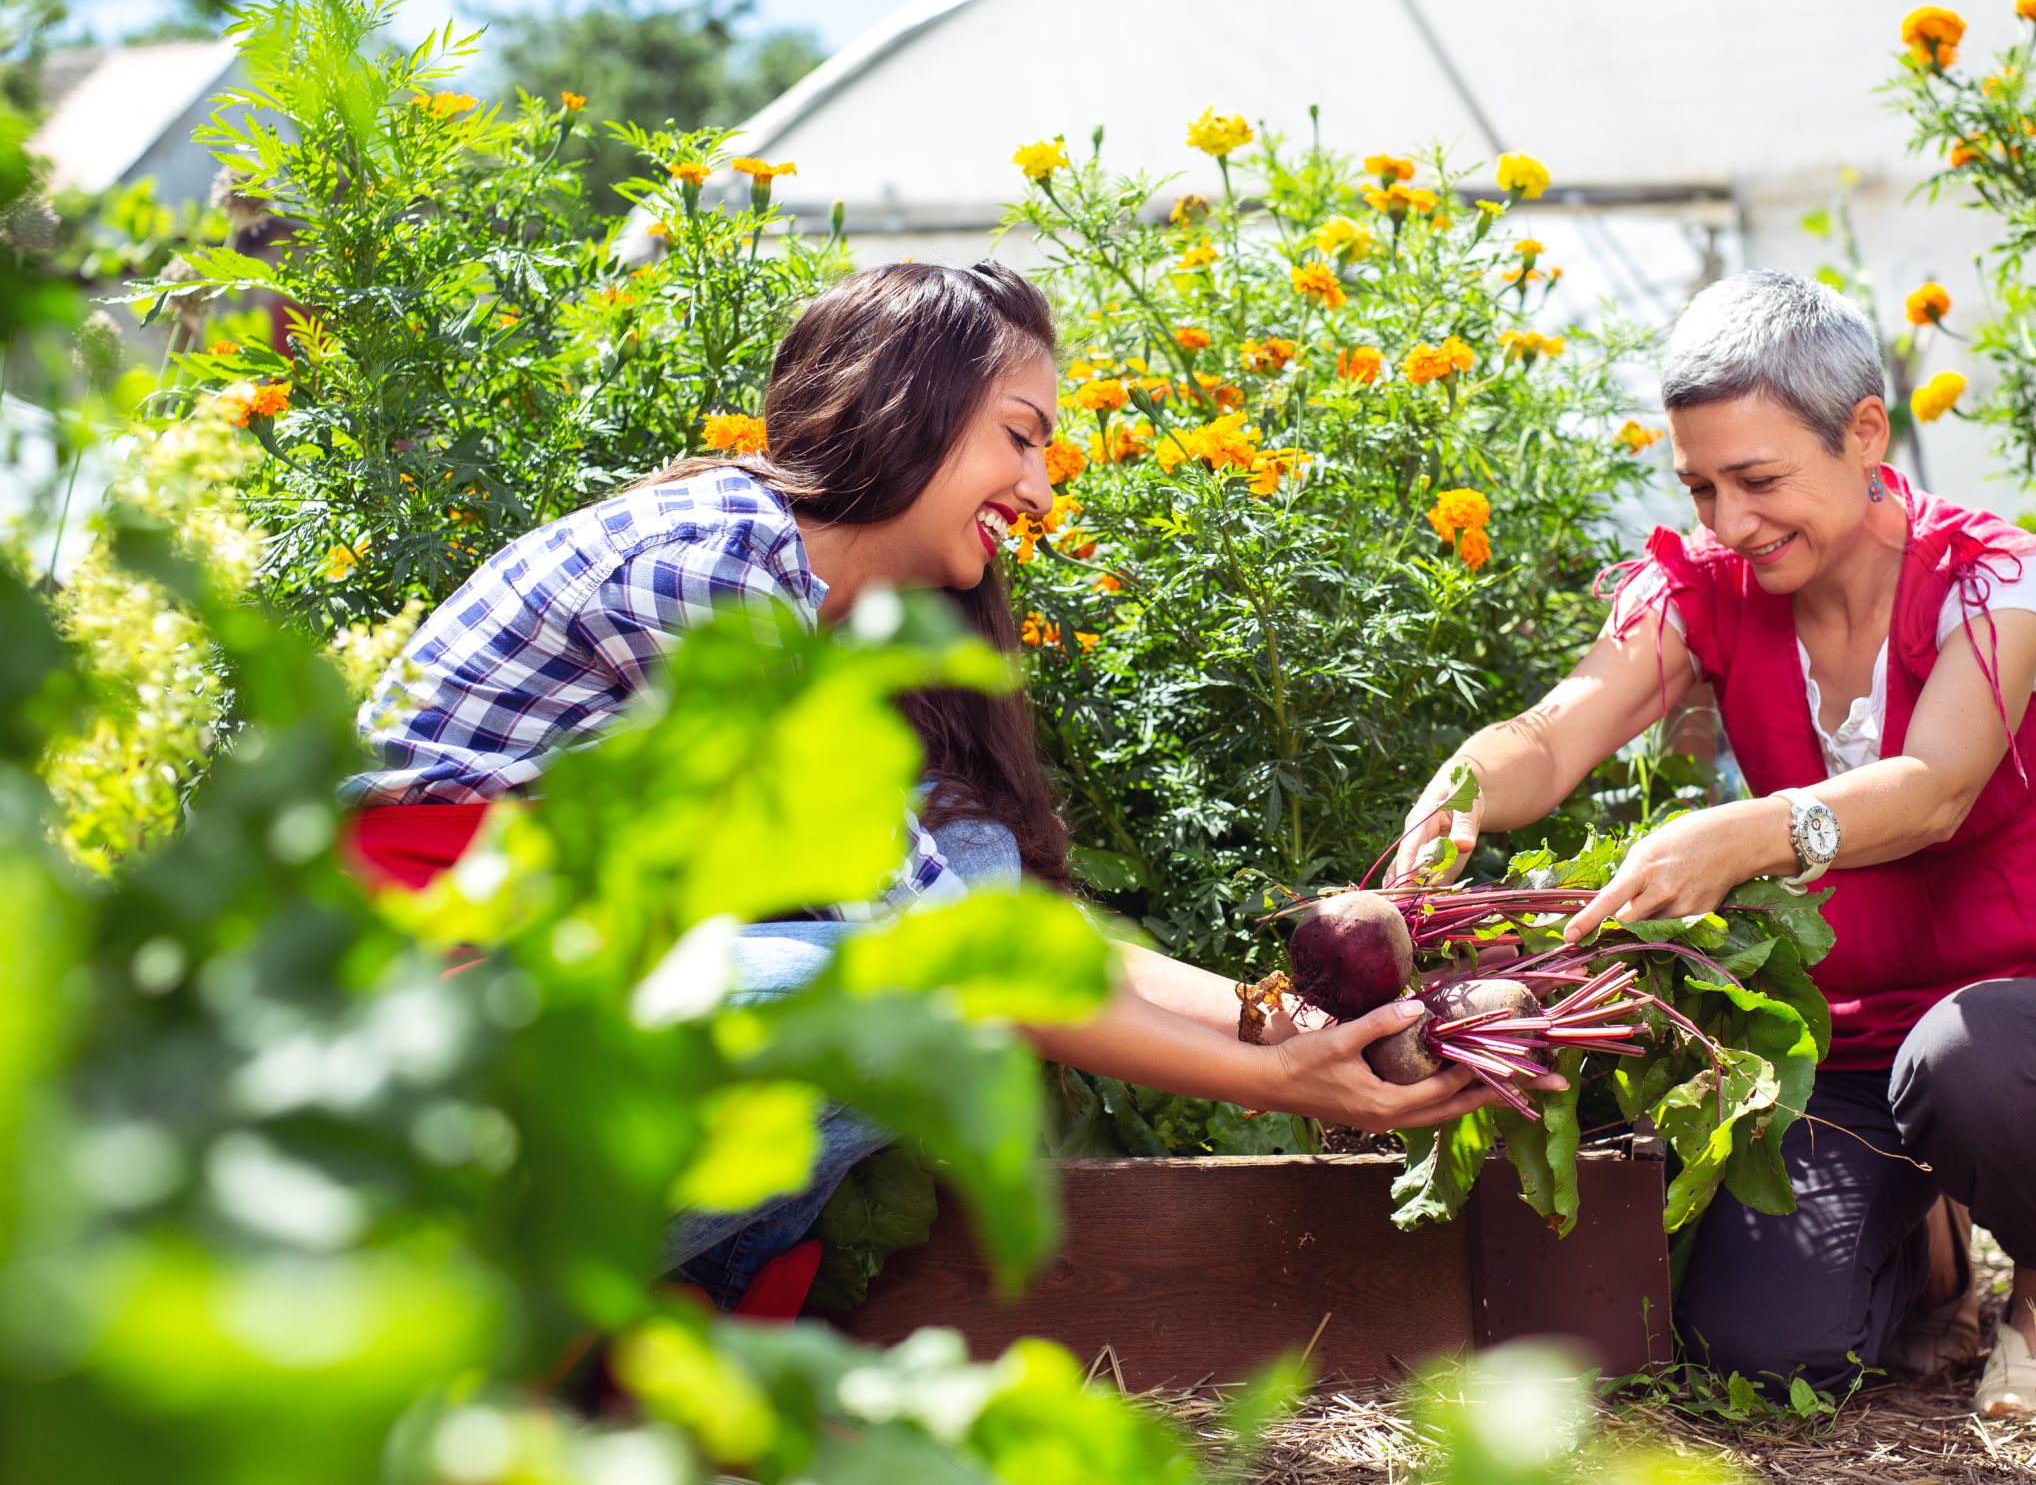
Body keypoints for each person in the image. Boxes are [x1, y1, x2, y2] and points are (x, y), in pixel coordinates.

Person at [344, 260, 1524, 1306]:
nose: (1045, 489)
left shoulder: (833, 611)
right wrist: (1275, 1084)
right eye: (1021, 436)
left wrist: (1309, 1022)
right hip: (412, 995)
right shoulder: (714, 569)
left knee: (970, 869)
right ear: (909, 406)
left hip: (550, 958)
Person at [1393, 269, 2036, 1417]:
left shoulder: (1993, 579)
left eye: (1758, 480)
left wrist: (1744, 834)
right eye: (1700, 486)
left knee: (1975, 1060)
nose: (1728, 522)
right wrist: (1465, 785)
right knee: (1758, 1352)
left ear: (1864, 432)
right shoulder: (1707, 590)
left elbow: (1935, 791)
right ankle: (1930, 1248)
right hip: (1853, 1053)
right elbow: (1556, 730)